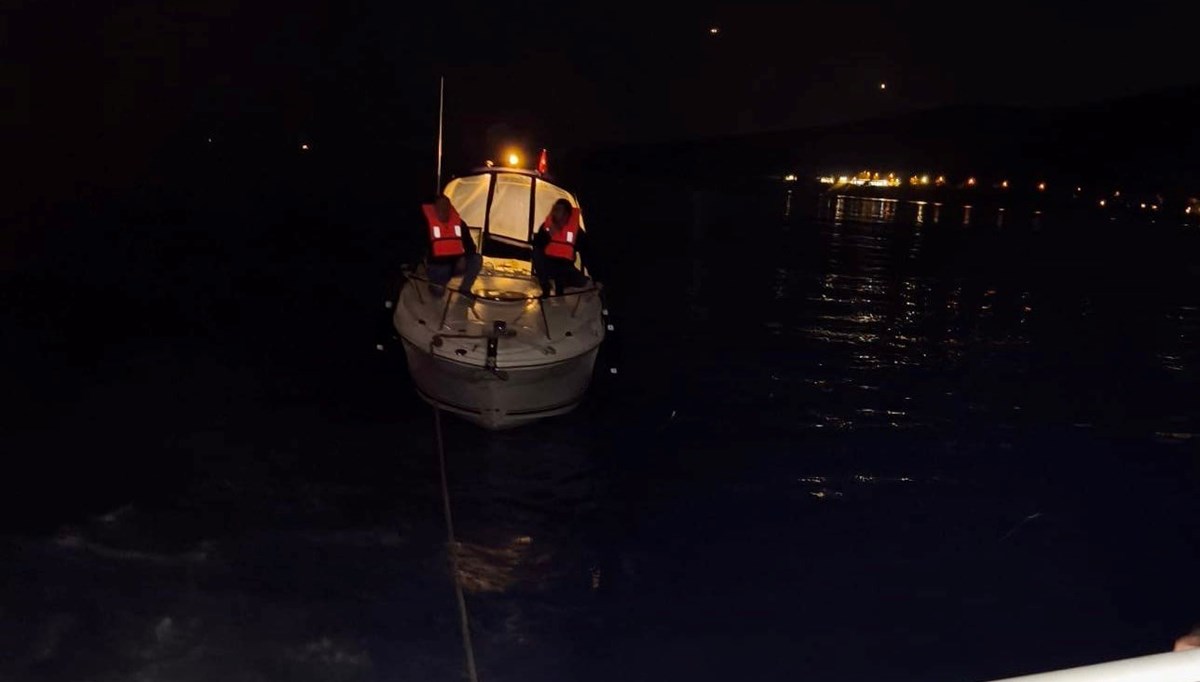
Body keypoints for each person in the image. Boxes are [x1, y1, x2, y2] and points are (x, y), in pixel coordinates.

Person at [421, 195, 481, 296]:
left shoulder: (459, 224)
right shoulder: (425, 224)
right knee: (438, 294)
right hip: (437, 267)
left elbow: (471, 247)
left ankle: (465, 290)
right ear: (435, 208)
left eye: (446, 206)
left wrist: (463, 257)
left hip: (456, 265)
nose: (444, 209)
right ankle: (434, 284)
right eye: (440, 206)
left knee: (477, 259)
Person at [531, 198, 592, 297]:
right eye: (555, 209)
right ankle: (546, 287)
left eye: (559, 210)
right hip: (549, 265)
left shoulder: (576, 231)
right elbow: (537, 245)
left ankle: (562, 286)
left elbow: (587, 253)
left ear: (567, 214)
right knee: (536, 254)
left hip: (566, 268)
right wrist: (548, 234)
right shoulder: (547, 226)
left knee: (586, 284)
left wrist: (596, 276)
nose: (555, 212)